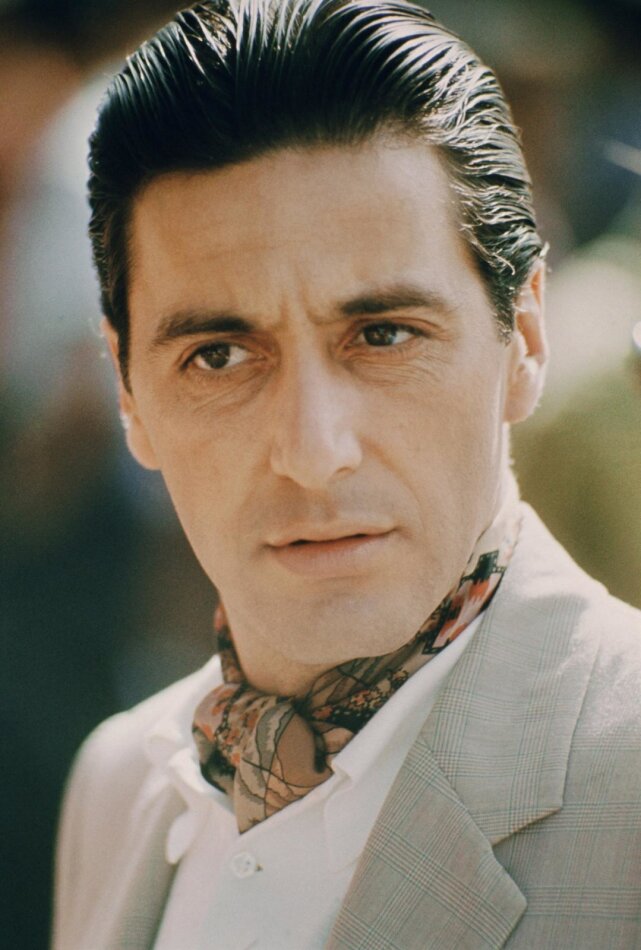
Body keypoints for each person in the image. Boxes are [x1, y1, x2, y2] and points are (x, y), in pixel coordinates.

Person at [52, 1, 641, 947]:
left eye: (383, 335)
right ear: (128, 391)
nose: (313, 449)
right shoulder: (118, 785)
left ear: (525, 338)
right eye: (218, 356)